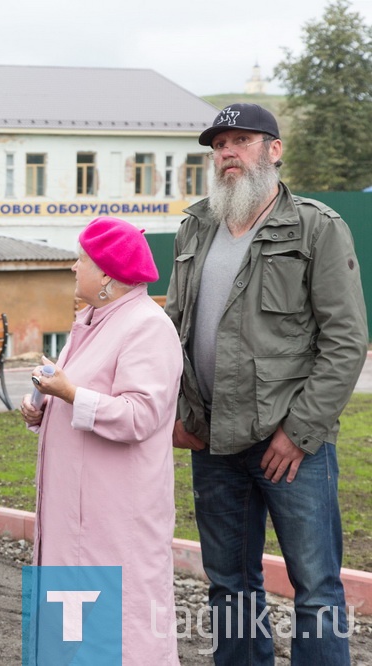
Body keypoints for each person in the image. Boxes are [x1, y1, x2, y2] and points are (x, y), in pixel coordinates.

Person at [166, 103, 367, 665]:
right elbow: (176, 329)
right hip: (214, 443)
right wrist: (185, 412)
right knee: (229, 585)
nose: (228, 152)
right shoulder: (197, 225)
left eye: (242, 141)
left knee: (316, 587)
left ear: (274, 150)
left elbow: (346, 341)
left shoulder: (316, 227)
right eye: (219, 144)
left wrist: (299, 433)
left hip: (291, 447)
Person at [21, 216, 181, 663]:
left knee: (119, 632)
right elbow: (81, 395)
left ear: (108, 273)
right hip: (74, 513)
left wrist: (70, 393)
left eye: (82, 259)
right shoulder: (90, 320)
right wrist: (44, 408)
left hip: (113, 517)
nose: (74, 267)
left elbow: (141, 414)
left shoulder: (147, 326)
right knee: (73, 630)